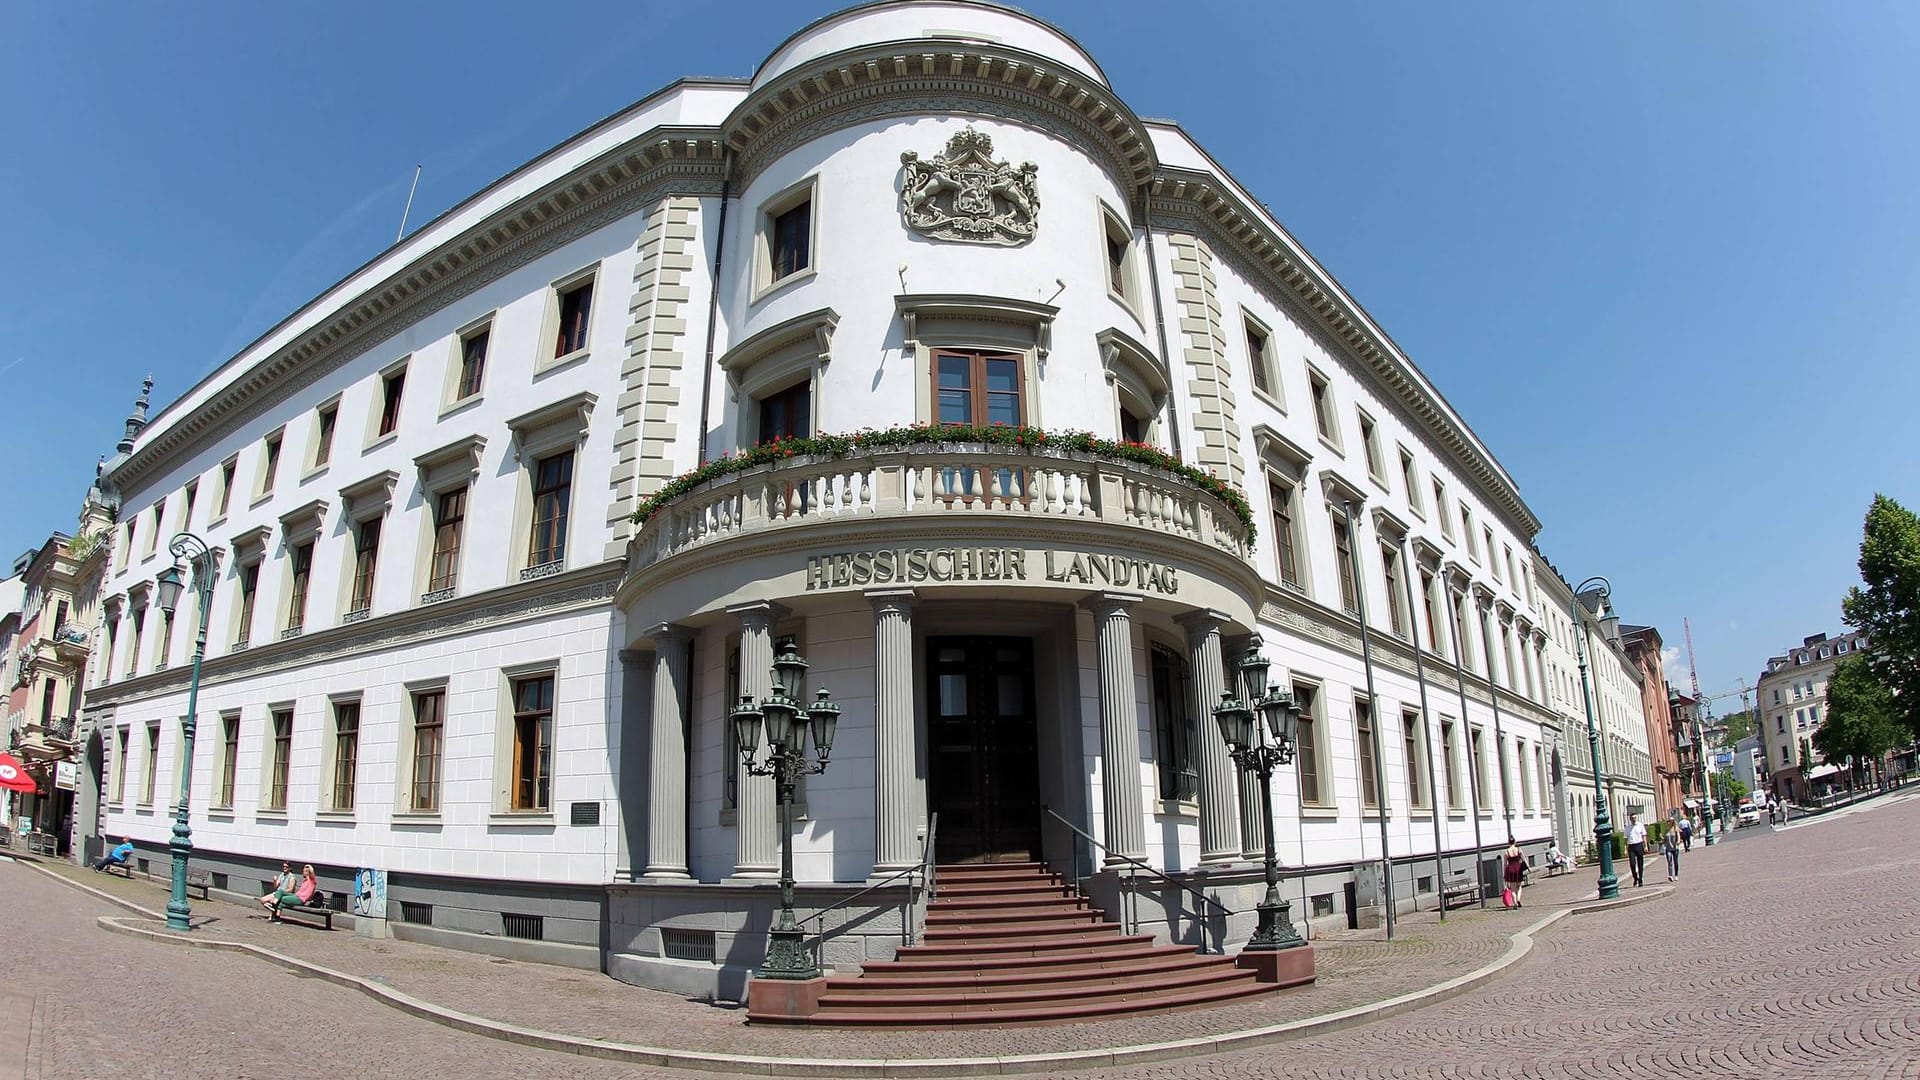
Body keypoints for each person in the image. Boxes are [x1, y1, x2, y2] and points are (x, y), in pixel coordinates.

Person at [1503, 839, 1528, 908]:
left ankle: (1514, 903)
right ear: (1515, 842)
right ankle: (1518, 899)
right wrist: (1528, 867)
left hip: (1510, 869)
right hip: (1518, 869)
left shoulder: (1506, 851)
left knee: (1513, 889)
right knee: (1519, 887)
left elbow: (1505, 864)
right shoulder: (1518, 849)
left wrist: (1504, 872)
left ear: (1508, 843)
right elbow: (1524, 859)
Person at [1625, 815, 1648, 887]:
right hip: (1631, 846)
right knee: (1632, 864)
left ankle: (1640, 879)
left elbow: (1644, 836)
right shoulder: (1627, 827)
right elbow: (1625, 839)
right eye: (1632, 818)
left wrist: (1645, 846)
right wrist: (1625, 849)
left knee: (1640, 863)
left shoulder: (1640, 825)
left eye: (1634, 818)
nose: (1633, 819)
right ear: (1630, 819)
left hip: (1639, 844)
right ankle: (1635, 878)